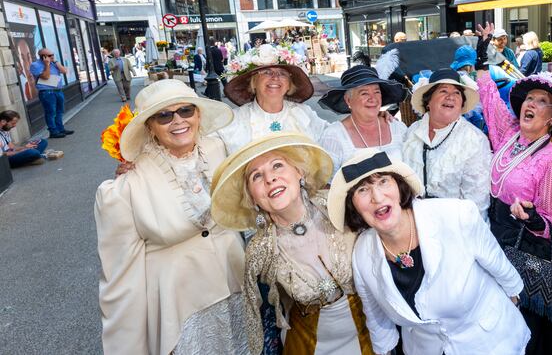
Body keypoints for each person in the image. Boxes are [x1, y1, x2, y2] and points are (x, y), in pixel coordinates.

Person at [95, 79, 246, 354]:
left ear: (198, 115)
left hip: (234, 287)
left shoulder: (218, 149)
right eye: (164, 115)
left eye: (186, 110)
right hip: (181, 311)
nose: (178, 121)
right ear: (149, 127)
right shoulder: (125, 186)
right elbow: (118, 278)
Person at [327, 149, 529, 354]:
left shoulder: (457, 215)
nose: (377, 197)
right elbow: (376, 317)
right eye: (362, 189)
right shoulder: (362, 252)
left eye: (383, 182)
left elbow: (502, 270)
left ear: (399, 185)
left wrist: (513, 306)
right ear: (353, 206)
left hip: (490, 343)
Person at [210, 133, 374, 354]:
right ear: (252, 197)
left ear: (299, 172)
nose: (270, 179)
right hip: (306, 343)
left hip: (371, 334)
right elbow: (258, 320)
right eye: (256, 176)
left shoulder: (339, 206)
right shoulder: (259, 250)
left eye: (277, 166)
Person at [477, 66, 552, 354]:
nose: (530, 104)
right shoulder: (509, 135)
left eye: (541, 101)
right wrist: (483, 64)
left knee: (523, 326)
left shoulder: (551, 158)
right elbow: (490, 102)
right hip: (493, 237)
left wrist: (533, 218)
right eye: (528, 99)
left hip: (522, 248)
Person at [402, 69, 491, 217]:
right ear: (428, 101)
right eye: (443, 91)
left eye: (457, 93)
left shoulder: (474, 140)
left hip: (455, 228)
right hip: (412, 223)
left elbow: (476, 204)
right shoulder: (412, 132)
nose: (451, 97)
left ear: (462, 103)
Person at [217, 44, 326, 154]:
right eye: (267, 72)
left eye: (282, 73)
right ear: (254, 82)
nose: (275, 77)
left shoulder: (304, 113)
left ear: (289, 85)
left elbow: (332, 136)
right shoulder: (234, 121)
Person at [318, 65, 408, 174]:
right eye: (364, 93)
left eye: (377, 92)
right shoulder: (334, 137)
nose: (373, 98)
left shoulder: (397, 128)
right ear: (348, 100)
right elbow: (327, 185)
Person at [29, 48, 73, 139]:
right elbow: (46, 76)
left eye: (52, 54)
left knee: (59, 111)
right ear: (42, 57)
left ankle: (60, 129)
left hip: (58, 90)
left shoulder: (54, 63)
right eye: (49, 55)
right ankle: (53, 131)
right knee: (51, 112)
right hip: (47, 91)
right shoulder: (35, 65)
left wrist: (56, 62)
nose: (52, 57)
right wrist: (47, 64)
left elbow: (64, 71)